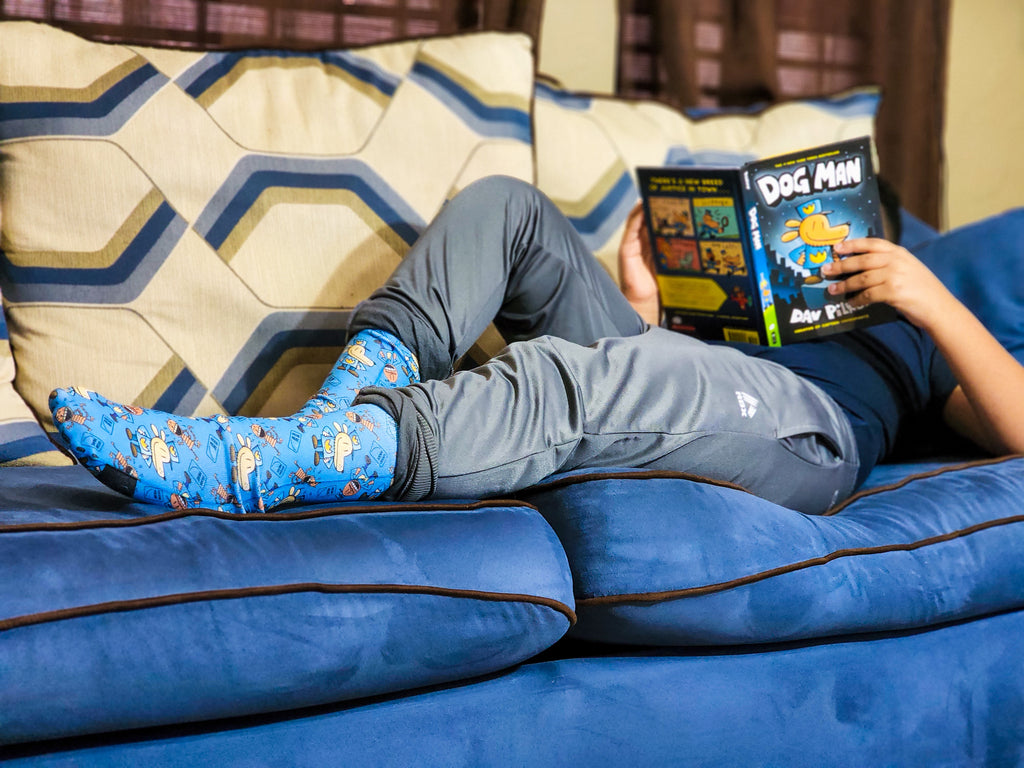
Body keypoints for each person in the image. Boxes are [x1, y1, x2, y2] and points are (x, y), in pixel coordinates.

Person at [49, 176, 1024, 515]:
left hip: (804, 432)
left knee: (610, 376)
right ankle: (340, 411)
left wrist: (929, 298)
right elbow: (669, 381)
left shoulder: (922, 334)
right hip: (693, 371)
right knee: (509, 209)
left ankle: (271, 464)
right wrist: (642, 303)